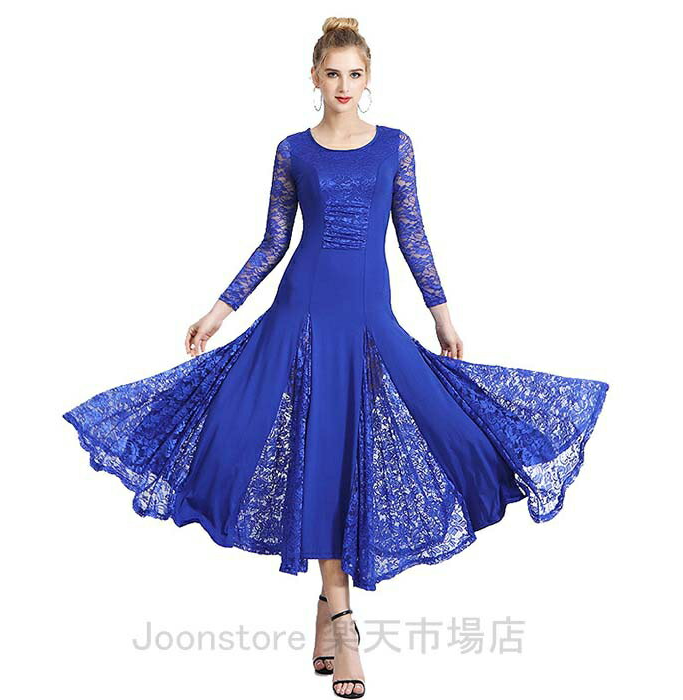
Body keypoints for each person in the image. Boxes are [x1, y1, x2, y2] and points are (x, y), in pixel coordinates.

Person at [63, 16, 609, 699]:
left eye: (355, 74)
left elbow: (413, 235)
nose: (344, 85)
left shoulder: (395, 147)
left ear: (368, 78)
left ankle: (327, 605)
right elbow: (273, 242)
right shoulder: (293, 150)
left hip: (370, 318)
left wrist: (442, 314)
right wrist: (219, 310)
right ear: (314, 78)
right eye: (332, 74)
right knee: (287, 447)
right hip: (301, 316)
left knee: (448, 431)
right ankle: (344, 621)